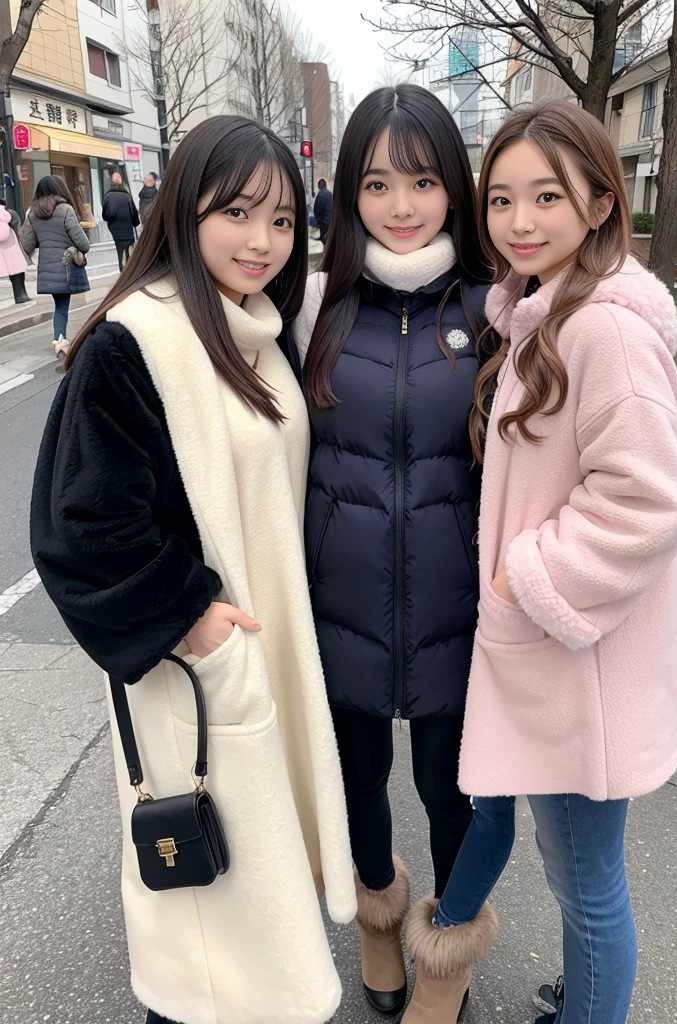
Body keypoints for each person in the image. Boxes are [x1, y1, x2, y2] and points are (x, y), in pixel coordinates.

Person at [30, 116, 356, 1024]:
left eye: (284, 220)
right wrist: (192, 620)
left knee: (251, 914)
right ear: (185, 209)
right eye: (239, 212)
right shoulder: (137, 337)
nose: (263, 241)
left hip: (255, 664)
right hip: (198, 680)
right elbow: (79, 526)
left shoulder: (254, 328)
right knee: (209, 944)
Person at [402, 101, 677, 1024]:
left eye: (548, 197)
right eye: (501, 200)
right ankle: (585, 996)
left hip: (579, 668)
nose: (519, 222)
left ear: (603, 203)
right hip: (571, 659)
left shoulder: (600, 331)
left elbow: (647, 500)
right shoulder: (546, 313)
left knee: (587, 886)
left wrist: (524, 576)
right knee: (582, 877)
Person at [293, 83, 496, 1019]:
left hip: (464, 614)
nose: (401, 205)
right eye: (377, 183)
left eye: (420, 180)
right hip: (343, 610)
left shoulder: (499, 312)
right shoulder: (315, 315)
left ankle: (447, 962)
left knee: (452, 800)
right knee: (359, 787)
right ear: (349, 192)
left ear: (453, 184)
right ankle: (379, 923)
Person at [20, 175, 90, 357]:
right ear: (60, 189)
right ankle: (60, 340)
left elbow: (26, 245)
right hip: (66, 266)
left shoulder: (32, 213)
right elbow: (83, 243)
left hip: (47, 268)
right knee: (62, 305)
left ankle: (60, 339)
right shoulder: (65, 209)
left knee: (60, 304)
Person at [102, 171, 140, 270]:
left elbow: (105, 216)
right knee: (129, 254)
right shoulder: (127, 196)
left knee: (120, 254)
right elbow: (134, 214)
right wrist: (136, 223)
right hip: (128, 231)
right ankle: (129, 272)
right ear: (121, 182)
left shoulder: (107, 196)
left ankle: (122, 271)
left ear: (112, 182)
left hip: (116, 232)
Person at [0, 198, 31, 303]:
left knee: (16, 274)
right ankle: (21, 296)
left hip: (5, 251)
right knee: (17, 275)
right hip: (11, 250)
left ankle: (21, 296)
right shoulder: (7, 214)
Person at [312, 178, 332, 244]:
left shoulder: (319, 196)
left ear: (319, 186)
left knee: (323, 240)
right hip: (328, 223)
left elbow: (315, 210)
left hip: (322, 223)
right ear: (325, 185)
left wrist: (319, 223)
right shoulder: (330, 195)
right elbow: (331, 210)